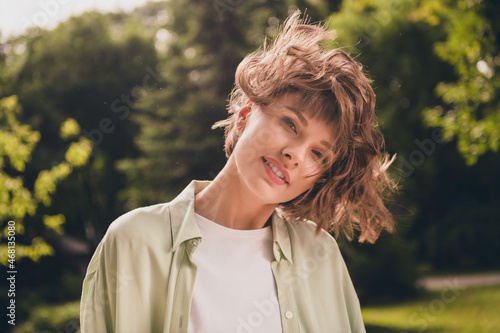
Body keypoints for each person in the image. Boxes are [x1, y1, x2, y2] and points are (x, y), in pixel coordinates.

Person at [80, 10, 396, 333]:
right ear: (245, 115)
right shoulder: (133, 242)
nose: (295, 155)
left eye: (318, 153)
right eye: (290, 124)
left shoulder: (321, 256)